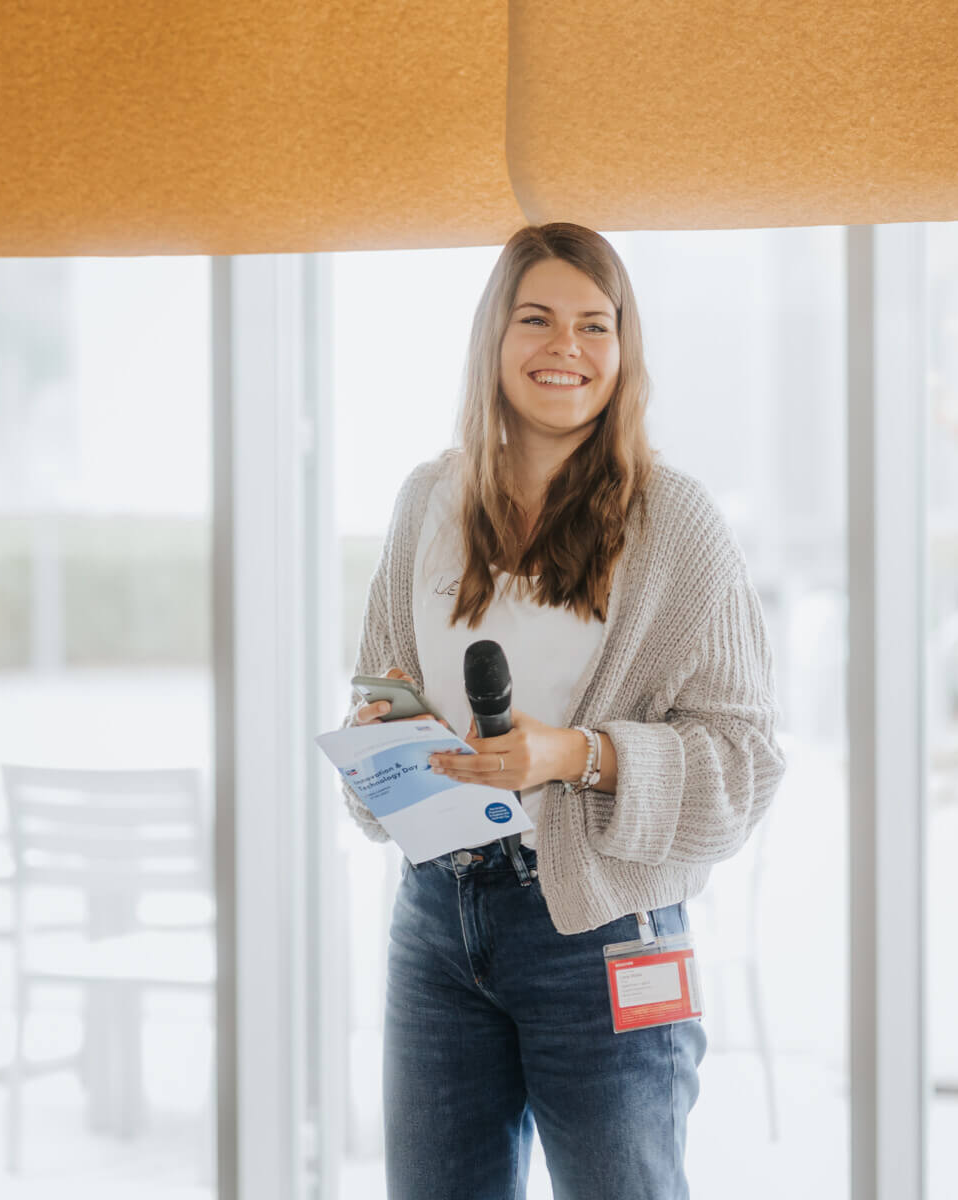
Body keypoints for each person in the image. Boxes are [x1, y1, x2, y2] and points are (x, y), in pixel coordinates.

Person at [343, 222, 784, 1200]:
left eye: (595, 324)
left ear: (624, 353)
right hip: (436, 921)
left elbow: (747, 759)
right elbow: (379, 688)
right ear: (492, 339)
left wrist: (578, 755)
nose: (566, 348)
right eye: (536, 318)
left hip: (602, 928)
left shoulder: (673, 520)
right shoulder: (427, 502)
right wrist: (385, 738)